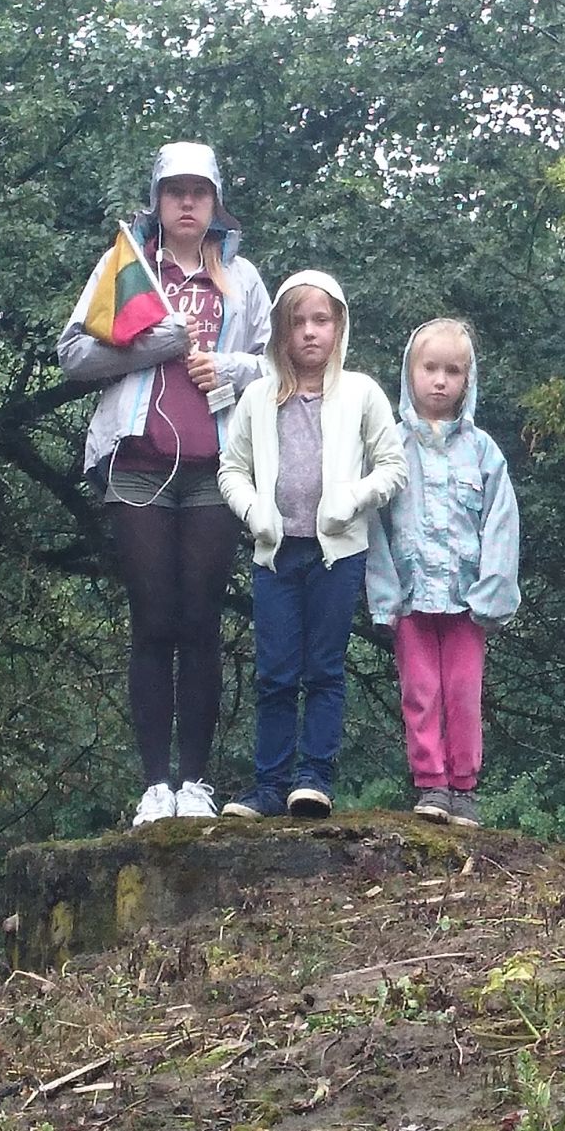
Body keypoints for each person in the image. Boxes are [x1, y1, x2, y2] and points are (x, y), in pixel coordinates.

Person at [60, 142, 270, 826]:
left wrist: (229, 369)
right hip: (139, 465)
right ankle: (155, 785)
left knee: (201, 621)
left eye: (198, 192)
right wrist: (156, 344)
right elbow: (72, 354)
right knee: (152, 618)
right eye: (175, 190)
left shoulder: (243, 278)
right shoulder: (126, 266)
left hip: (217, 467)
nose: (186, 202)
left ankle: (197, 783)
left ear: (215, 203)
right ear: (157, 200)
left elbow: (278, 366)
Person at [215, 272, 406, 819]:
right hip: (275, 555)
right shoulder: (258, 398)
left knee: (325, 668)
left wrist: (352, 498)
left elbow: (393, 467)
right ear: (280, 331)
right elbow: (232, 469)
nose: (309, 332)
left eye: (320, 320)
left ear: (339, 326)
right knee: (275, 672)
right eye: (297, 322)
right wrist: (254, 511)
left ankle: (314, 778)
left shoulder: (362, 393)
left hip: (337, 555)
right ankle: (269, 786)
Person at [365, 319, 522, 828]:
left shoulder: (483, 451)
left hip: (465, 600)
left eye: (453, 371)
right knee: (420, 691)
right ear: (409, 372)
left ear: (468, 380)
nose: (440, 381)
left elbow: (501, 523)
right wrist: (384, 596)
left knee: (462, 692)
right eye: (429, 368)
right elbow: (374, 527)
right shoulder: (390, 446)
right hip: (412, 597)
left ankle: (464, 787)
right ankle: (430, 783)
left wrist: (492, 593)